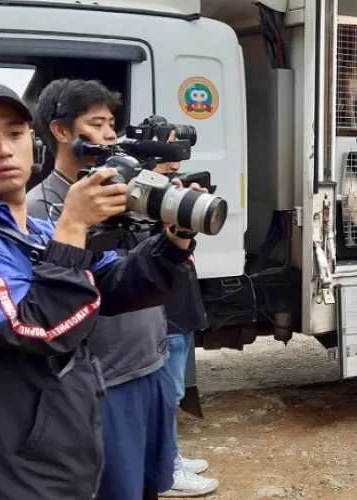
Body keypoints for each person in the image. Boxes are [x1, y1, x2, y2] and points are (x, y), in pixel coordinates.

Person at [0, 79, 195, 500]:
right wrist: (74, 227)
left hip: (51, 458)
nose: (3, 149)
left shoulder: (37, 232)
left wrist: (173, 243)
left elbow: (115, 286)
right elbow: (32, 327)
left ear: (33, 142)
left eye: (14, 133)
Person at [25, 79, 217, 499]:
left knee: (149, 488)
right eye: (96, 123)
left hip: (149, 364)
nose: (110, 134)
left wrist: (176, 234)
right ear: (61, 132)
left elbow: (134, 276)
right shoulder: (43, 207)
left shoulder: (128, 191)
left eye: (111, 122)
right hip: (104, 382)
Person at [149, 130, 220, 497]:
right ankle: (168, 470)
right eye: (169, 147)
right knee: (166, 394)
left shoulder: (166, 191)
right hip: (167, 314)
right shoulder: (147, 199)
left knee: (172, 392)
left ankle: (171, 455)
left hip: (180, 308)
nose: (177, 156)